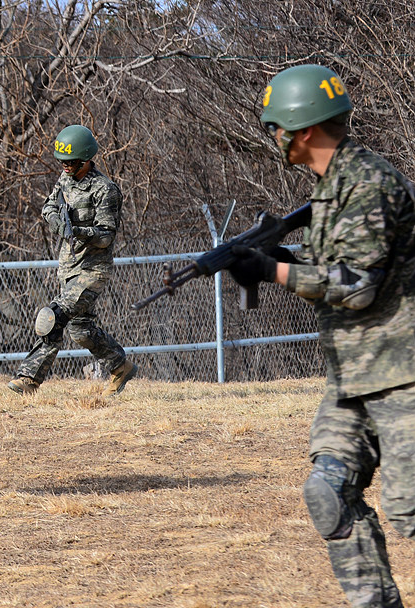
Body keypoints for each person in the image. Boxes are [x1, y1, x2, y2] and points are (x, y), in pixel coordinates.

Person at [228, 64, 415, 608]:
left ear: (302, 129)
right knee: (328, 493)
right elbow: (340, 262)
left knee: (410, 510)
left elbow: (355, 287)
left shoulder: (369, 184)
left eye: (275, 128)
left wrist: (272, 271)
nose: (274, 139)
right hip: (354, 373)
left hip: (402, 371)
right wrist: (279, 256)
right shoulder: (331, 188)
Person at [7, 125, 136, 397]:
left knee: (53, 316)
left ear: (86, 158)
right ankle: (120, 365)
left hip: (93, 271)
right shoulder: (64, 181)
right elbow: (49, 207)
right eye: (62, 162)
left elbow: (105, 236)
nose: (65, 166)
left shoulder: (105, 189)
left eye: (71, 162)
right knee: (81, 331)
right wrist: (57, 223)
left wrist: (78, 231)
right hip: (69, 269)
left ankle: (29, 378)